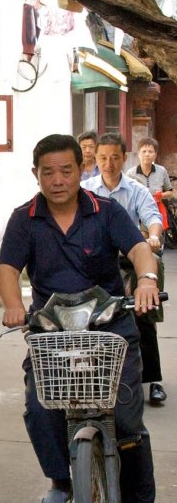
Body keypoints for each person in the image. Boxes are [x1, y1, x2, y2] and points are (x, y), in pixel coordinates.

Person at [0, 133, 162, 503]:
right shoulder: (24, 219)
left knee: (124, 416)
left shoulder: (104, 212)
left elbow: (140, 249)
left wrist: (146, 279)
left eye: (66, 171)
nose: (57, 180)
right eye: (48, 172)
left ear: (80, 170)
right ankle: (60, 482)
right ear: (36, 175)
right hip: (52, 331)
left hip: (109, 327)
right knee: (41, 406)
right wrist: (12, 304)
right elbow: (7, 269)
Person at [84, 133, 167, 406]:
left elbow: (153, 217)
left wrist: (153, 236)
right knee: (89, 317)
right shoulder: (85, 190)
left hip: (130, 260)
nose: (109, 164)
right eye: (103, 158)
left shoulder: (136, 191)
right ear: (95, 158)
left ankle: (152, 380)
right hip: (95, 263)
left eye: (115, 157)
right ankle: (94, 377)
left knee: (143, 313)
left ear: (124, 158)